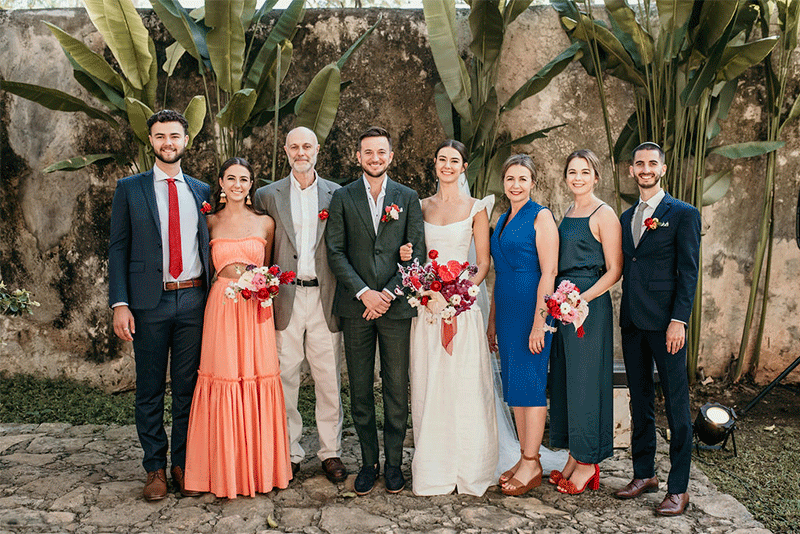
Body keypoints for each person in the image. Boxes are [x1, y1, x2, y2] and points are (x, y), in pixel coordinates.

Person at [109, 110, 210, 501]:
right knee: (149, 389)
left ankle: (183, 464)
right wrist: (120, 303)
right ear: (150, 141)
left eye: (174, 136)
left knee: (188, 389)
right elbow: (117, 248)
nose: (168, 143)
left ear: (186, 141)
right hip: (148, 303)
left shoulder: (202, 191)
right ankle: (155, 467)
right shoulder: (129, 188)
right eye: (160, 136)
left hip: (194, 300)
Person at [183, 157, 292, 498]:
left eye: (244, 179)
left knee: (258, 377)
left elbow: (271, 265)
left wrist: (262, 285)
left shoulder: (266, 223)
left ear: (250, 186)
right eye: (231, 178)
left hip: (256, 309)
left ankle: (260, 469)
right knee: (224, 377)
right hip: (222, 305)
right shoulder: (209, 221)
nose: (237, 185)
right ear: (220, 182)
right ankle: (221, 471)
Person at [325, 126, 425, 496]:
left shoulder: (407, 197)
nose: (375, 158)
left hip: (395, 308)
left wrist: (387, 295)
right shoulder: (343, 196)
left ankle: (395, 464)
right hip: (356, 308)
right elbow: (335, 251)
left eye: (381, 152)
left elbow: (415, 254)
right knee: (362, 390)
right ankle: (369, 463)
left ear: (391, 156)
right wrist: (366, 293)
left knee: (397, 389)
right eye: (368, 152)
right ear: (358, 157)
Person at [398, 140, 498, 496]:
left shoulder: (477, 208)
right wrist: (429, 292)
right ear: (435, 164)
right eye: (441, 159)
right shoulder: (420, 206)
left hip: (463, 308)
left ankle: (471, 467)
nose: (447, 165)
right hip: (427, 308)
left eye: (454, 160)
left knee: (466, 384)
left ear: (463, 167)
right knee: (430, 381)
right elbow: (412, 256)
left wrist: (459, 294)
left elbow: (483, 262)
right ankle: (435, 467)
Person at [252, 127, 346, 484]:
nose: (301, 152)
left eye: (307, 146)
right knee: (285, 377)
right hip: (285, 298)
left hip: (324, 297)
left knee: (328, 378)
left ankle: (330, 451)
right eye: (294, 146)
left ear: (317, 149)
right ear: (286, 151)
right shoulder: (267, 195)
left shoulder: (336, 194)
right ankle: (289, 451)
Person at [614, 142, 701, 516]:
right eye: (639, 164)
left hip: (667, 325)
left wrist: (679, 320)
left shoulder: (682, 213)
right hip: (633, 323)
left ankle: (678, 488)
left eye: (652, 163)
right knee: (641, 400)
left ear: (662, 170)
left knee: (678, 407)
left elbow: (689, 271)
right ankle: (644, 473)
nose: (645, 169)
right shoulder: (625, 217)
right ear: (632, 171)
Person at [548, 149, 622, 495]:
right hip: (564, 305)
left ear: (596, 177)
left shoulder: (603, 214)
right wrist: (562, 300)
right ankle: (574, 456)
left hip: (587, 308)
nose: (577, 177)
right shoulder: (567, 212)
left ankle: (589, 462)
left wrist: (582, 299)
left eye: (585, 172)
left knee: (586, 382)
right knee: (566, 380)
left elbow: (615, 269)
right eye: (572, 172)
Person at [487, 154, 559, 496]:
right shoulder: (501, 219)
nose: (515, 185)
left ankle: (532, 461)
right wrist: (491, 322)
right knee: (514, 387)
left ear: (533, 183)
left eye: (522, 179)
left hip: (532, 310)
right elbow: (498, 274)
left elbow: (549, 271)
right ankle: (524, 457)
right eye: (510, 178)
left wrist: (539, 323)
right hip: (506, 313)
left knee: (530, 385)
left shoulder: (540, 216)